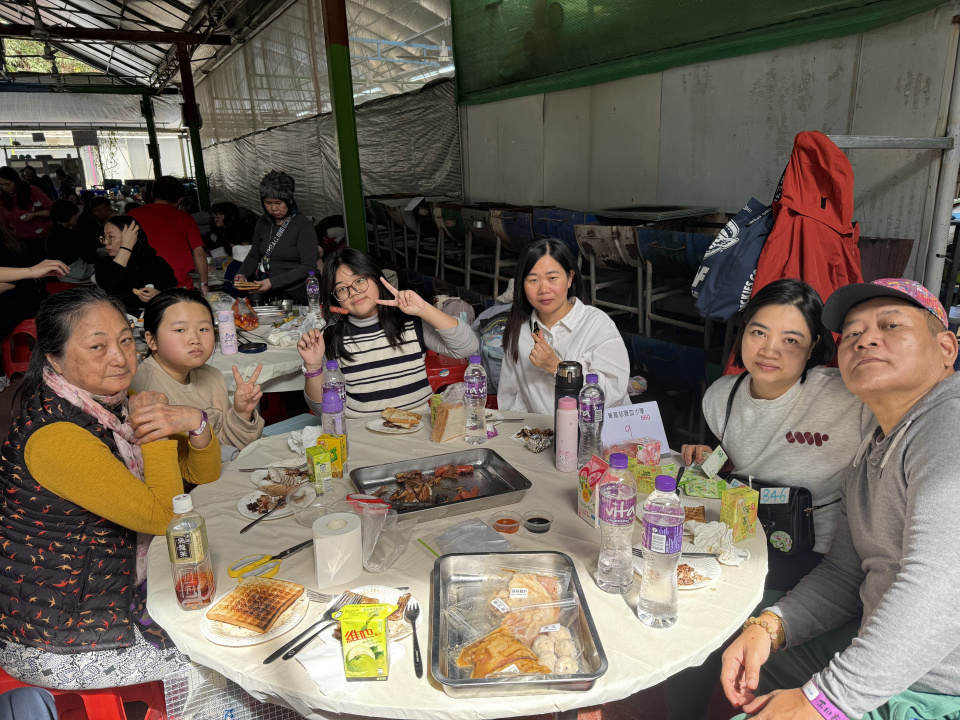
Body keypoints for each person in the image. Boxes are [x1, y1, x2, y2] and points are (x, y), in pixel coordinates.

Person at [720, 278, 960, 720]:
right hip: (878, 652)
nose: (865, 339)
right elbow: (846, 573)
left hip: (939, 691)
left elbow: (942, 585)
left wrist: (823, 701)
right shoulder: (873, 448)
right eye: (852, 333)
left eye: (891, 325)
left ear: (946, 348)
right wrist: (771, 626)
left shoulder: (950, 423)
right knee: (738, 643)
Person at [0, 286, 221, 689]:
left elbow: (201, 477)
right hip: (64, 633)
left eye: (125, 340)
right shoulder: (55, 436)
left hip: (112, 594)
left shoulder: (112, 404)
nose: (120, 358)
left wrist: (196, 423)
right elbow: (166, 518)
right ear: (54, 357)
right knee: (223, 650)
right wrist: (155, 432)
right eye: (97, 346)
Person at [681, 279, 873, 590]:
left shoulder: (849, 397)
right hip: (738, 532)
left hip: (811, 554)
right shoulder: (720, 396)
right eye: (759, 332)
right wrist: (711, 460)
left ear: (812, 346)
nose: (769, 350)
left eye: (791, 340)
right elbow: (744, 457)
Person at [297, 248, 479, 417]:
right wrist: (313, 367)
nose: (354, 292)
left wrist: (424, 309)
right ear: (335, 298)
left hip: (417, 427)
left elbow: (467, 347)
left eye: (359, 280)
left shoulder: (410, 322)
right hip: (361, 431)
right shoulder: (331, 337)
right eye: (342, 289)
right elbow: (321, 410)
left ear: (376, 278)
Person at [497, 238, 629, 414]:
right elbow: (510, 400)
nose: (543, 289)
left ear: (569, 278)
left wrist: (557, 368)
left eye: (552, 278)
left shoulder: (596, 324)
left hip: (597, 429)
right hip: (544, 431)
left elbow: (614, 393)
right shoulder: (520, 333)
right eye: (533, 280)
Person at [130, 288, 265, 451]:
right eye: (180, 330)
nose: (195, 339)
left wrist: (241, 413)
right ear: (151, 340)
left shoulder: (212, 375)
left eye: (203, 329)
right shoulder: (145, 394)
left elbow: (227, 445)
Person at [235, 171, 318, 304]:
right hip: (269, 291)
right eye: (268, 203)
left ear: (289, 201)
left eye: (278, 202)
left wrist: (273, 282)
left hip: (297, 293)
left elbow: (308, 266)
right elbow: (254, 254)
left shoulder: (302, 225)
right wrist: (241, 274)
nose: (273, 208)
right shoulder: (263, 222)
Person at [129, 176, 208, 292]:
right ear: (179, 200)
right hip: (178, 284)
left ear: (152, 194)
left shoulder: (132, 215)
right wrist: (204, 285)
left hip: (142, 284)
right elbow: (199, 253)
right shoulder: (185, 218)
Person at [94, 215, 177, 316]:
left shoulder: (155, 263)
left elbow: (172, 296)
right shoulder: (105, 263)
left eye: (111, 237)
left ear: (132, 238)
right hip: (119, 318)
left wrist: (158, 295)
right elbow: (109, 281)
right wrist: (126, 247)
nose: (106, 242)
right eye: (105, 237)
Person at [0, 166, 52, 264]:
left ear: (15, 180)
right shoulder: (2, 199)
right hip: (21, 242)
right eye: (1, 185)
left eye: (7, 184)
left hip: (44, 238)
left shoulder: (32, 191)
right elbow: (4, 224)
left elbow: (52, 210)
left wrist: (35, 214)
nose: (5, 188)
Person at [45, 200, 96, 284]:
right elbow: (89, 254)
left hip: (64, 273)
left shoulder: (54, 231)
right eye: (74, 214)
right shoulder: (66, 234)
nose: (77, 217)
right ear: (66, 215)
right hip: (77, 273)